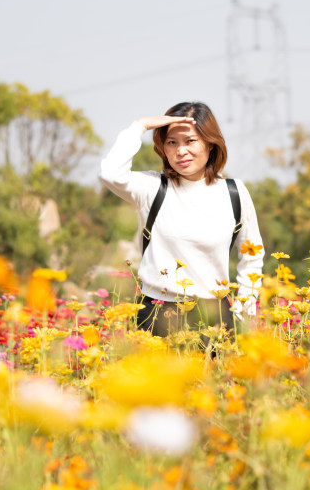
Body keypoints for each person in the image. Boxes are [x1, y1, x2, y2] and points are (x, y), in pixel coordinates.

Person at [99, 102, 264, 337]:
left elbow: (252, 256)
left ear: (210, 143)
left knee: (213, 376)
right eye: (171, 142)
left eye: (190, 141)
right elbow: (110, 174)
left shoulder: (234, 193)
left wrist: (242, 312)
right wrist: (140, 126)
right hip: (156, 316)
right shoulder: (152, 187)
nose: (181, 151)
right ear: (162, 148)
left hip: (215, 317)